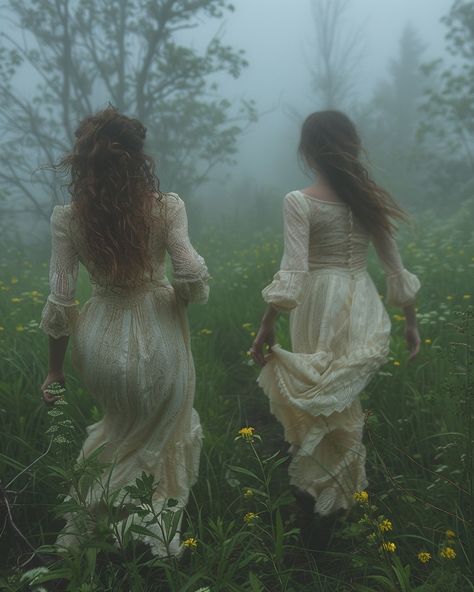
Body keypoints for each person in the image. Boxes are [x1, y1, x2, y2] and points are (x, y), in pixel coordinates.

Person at [40, 106, 209, 556]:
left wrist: (54, 372)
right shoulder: (167, 207)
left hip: (99, 340)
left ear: (83, 162)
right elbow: (190, 271)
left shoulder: (68, 218)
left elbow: (61, 299)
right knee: (160, 434)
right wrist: (184, 292)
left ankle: (94, 526)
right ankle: (149, 536)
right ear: (139, 158)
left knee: (118, 429)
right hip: (159, 331)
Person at [250, 110, 420, 519]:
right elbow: (393, 266)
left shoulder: (299, 201)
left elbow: (294, 271)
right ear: (353, 146)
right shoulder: (367, 197)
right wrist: (411, 321)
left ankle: (317, 494)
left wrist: (266, 324)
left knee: (317, 394)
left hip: (316, 302)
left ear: (307, 150)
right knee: (342, 396)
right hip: (360, 299)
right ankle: (342, 495)